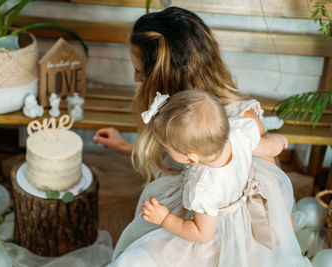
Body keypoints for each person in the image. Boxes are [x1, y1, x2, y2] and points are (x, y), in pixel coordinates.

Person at [92, 6, 296, 261]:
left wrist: (286, 249)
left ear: (168, 76)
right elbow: (181, 157)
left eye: (140, 72)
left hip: (221, 234)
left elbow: (272, 188)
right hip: (190, 214)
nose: (135, 78)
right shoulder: (181, 113)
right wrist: (125, 146)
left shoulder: (238, 119)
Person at [111, 90, 305, 266]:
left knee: (147, 256)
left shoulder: (204, 187)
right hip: (246, 216)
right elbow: (269, 147)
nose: (165, 150)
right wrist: (281, 141)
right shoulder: (239, 132)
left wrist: (165, 218)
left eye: (168, 148)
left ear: (191, 157)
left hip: (216, 231)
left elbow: (202, 234)